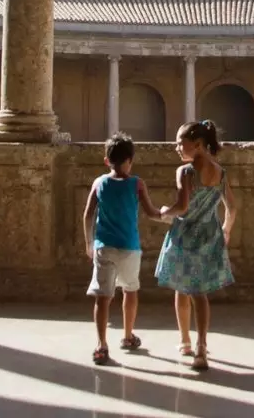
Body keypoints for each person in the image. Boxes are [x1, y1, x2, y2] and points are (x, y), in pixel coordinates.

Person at [155, 119, 237, 371]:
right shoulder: (220, 172)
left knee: (183, 289)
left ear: (198, 144)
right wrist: (226, 229)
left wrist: (162, 212)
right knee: (199, 292)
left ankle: (187, 342)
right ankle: (199, 344)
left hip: (185, 235)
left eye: (181, 143)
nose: (177, 147)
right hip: (209, 236)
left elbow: (181, 207)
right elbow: (232, 207)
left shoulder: (186, 172)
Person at [82, 132, 161, 365]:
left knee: (102, 297)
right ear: (131, 160)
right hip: (130, 247)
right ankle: (127, 336)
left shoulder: (99, 183)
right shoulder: (137, 184)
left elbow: (88, 215)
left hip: (103, 246)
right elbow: (151, 212)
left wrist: (88, 242)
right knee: (130, 291)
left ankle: (101, 344)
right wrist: (168, 215)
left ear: (107, 160)